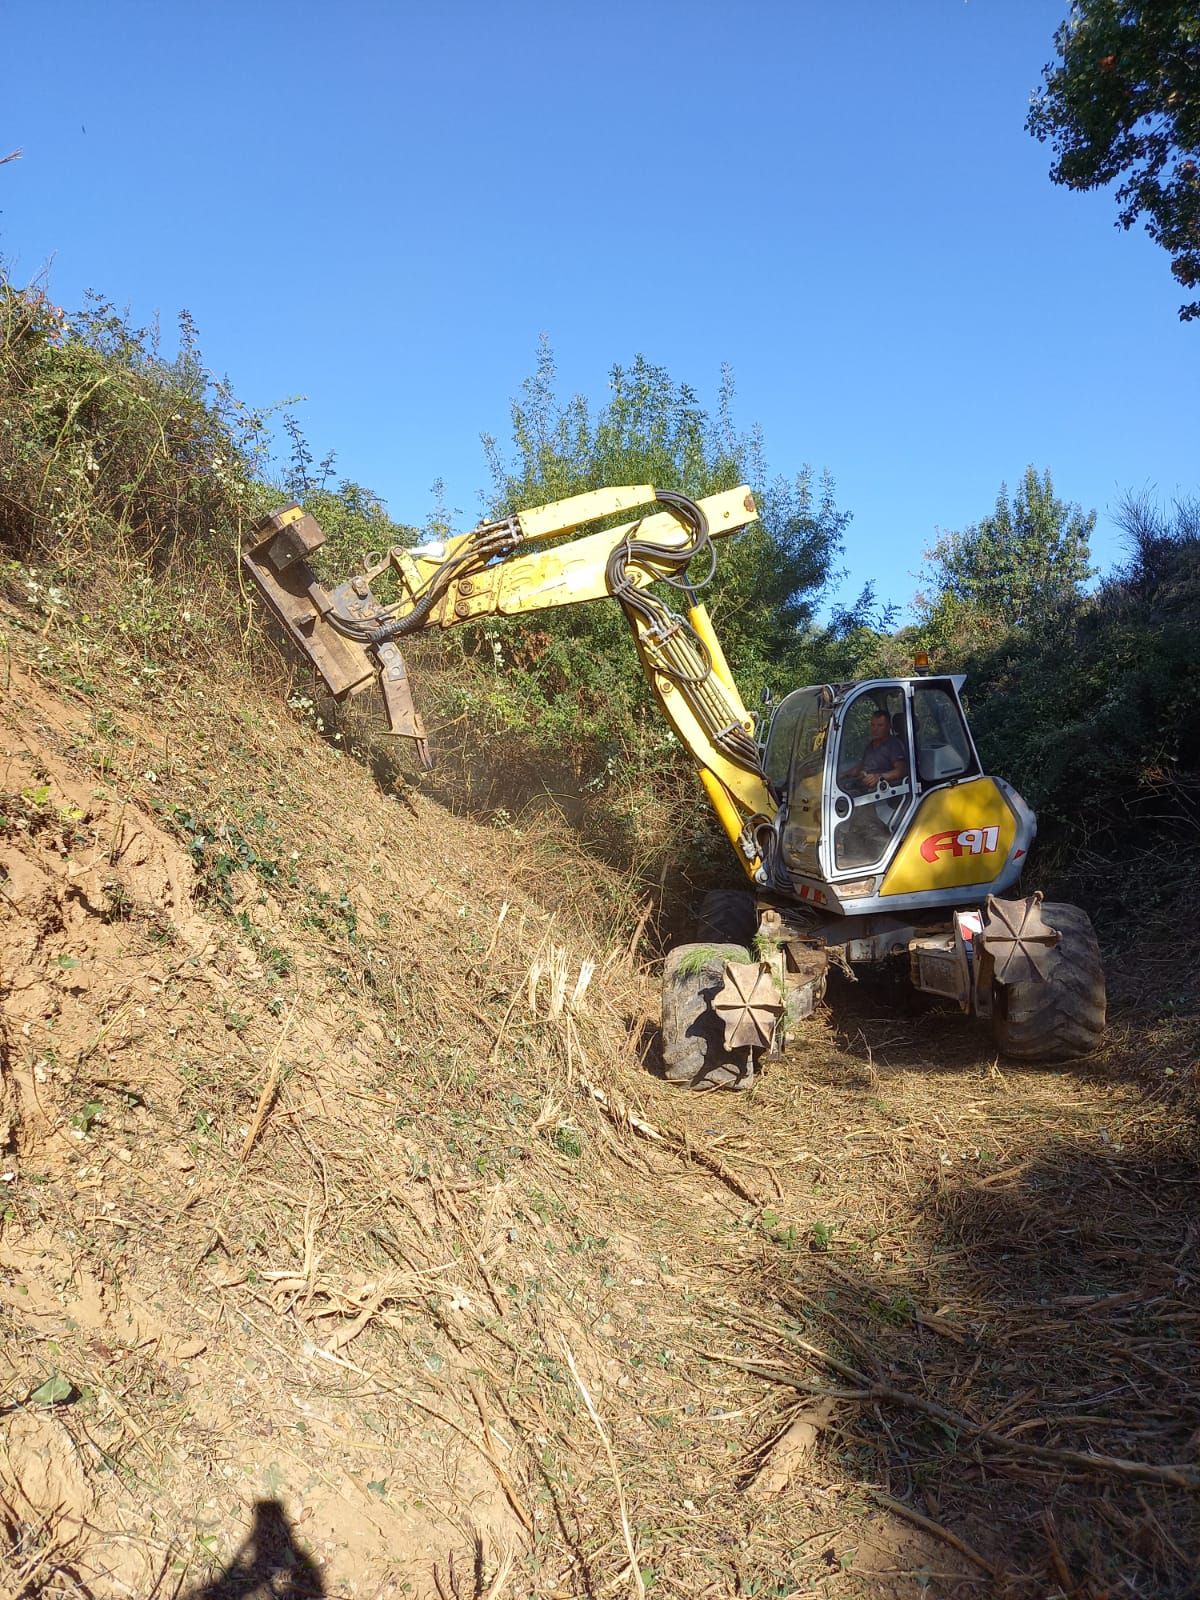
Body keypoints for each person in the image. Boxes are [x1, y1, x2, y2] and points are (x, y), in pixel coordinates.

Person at [844, 710, 906, 791]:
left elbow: (900, 771)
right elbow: (862, 766)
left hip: (882, 792)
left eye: (880, 725)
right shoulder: (870, 746)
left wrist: (879, 777)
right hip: (863, 787)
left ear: (888, 727)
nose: (875, 729)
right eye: (873, 725)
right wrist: (843, 774)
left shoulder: (893, 745)